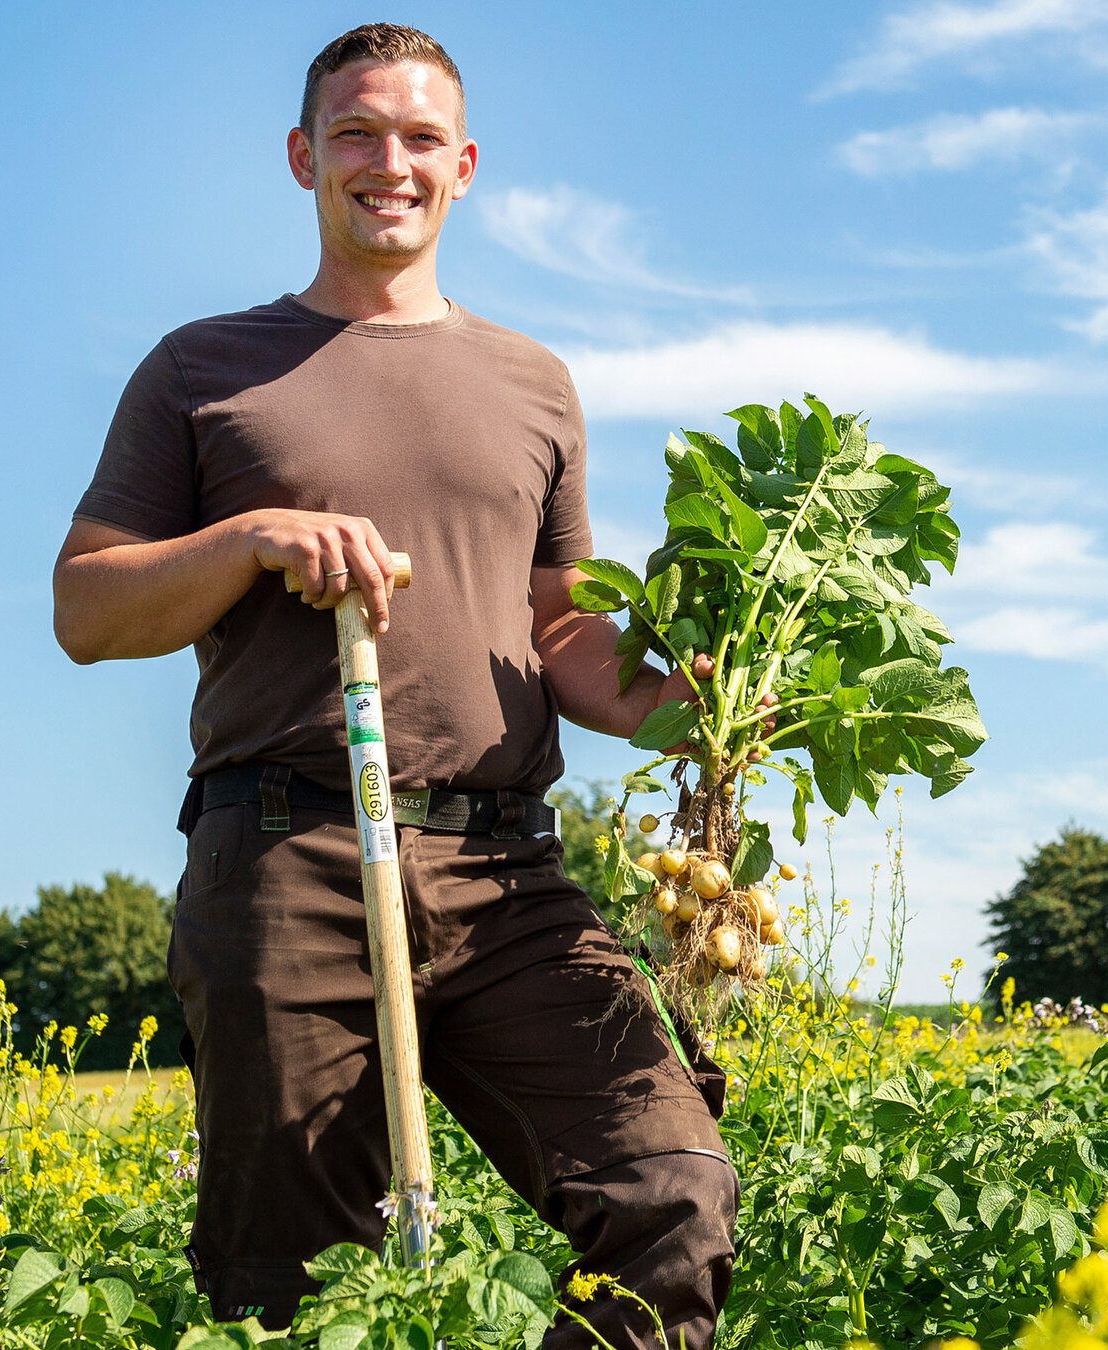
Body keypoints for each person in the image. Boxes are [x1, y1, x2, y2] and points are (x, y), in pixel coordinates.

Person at [51, 23, 737, 1348]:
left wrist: (677, 702)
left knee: (672, 1189)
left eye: (419, 137)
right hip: (285, 854)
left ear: (464, 165)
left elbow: (555, 632)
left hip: (504, 870)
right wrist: (249, 541)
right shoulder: (201, 369)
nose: (389, 162)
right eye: (357, 133)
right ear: (304, 156)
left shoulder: (533, 383)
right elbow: (86, 609)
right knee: (287, 1291)